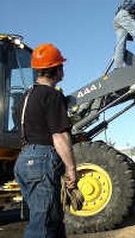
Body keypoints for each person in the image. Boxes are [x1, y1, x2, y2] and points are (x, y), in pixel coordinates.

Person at [14, 43, 78, 237]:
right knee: (43, 225)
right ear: (56, 69)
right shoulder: (52, 95)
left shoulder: (26, 96)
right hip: (41, 161)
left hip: (24, 161)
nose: (63, 69)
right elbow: (59, 136)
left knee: (54, 219)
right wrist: (71, 169)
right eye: (61, 66)